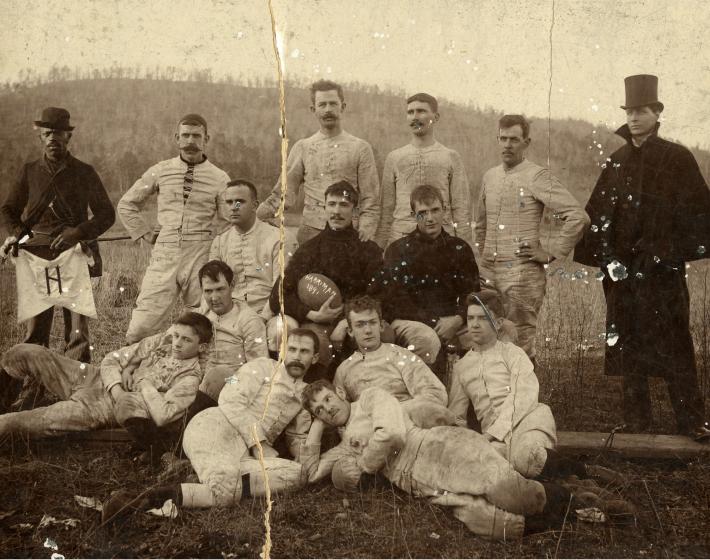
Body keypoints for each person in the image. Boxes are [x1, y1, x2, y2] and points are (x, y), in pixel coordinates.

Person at [575, 74, 710, 441]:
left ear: (657, 113)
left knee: (676, 343)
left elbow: (700, 214)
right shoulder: (616, 162)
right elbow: (597, 217)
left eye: (642, 110)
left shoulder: (677, 159)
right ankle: (637, 422)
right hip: (623, 274)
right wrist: (608, 260)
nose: (634, 118)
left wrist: (667, 254)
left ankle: (692, 420)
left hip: (662, 272)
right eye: (630, 111)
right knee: (629, 345)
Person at [299, 382, 577, 540]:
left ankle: (576, 496)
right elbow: (310, 473)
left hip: (439, 450)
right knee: (490, 524)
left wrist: (364, 465)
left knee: (513, 495)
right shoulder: (343, 446)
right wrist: (317, 427)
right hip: (421, 486)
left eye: (327, 399)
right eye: (319, 409)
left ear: (339, 392)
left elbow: (392, 433)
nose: (327, 408)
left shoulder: (371, 398)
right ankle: (569, 508)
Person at [101, 329, 320, 521]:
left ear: (315, 357)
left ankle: (208, 478)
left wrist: (316, 430)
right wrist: (258, 442)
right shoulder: (262, 367)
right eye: (292, 350)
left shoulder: (305, 394)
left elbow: (297, 438)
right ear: (283, 351)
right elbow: (230, 399)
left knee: (297, 474)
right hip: (215, 427)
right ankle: (139, 500)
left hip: (242, 455)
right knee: (223, 492)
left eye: (304, 352)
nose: (297, 357)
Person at [0, 106, 115, 364]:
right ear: (40, 137)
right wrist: (20, 237)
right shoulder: (29, 171)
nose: (53, 138)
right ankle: (33, 384)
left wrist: (78, 233)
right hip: (36, 258)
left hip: (75, 256)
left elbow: (107, 214)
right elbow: (8, 210)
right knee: (36, 331)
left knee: (77, 334)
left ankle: (77, 385)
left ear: (68, 137)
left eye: (59, 133)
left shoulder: (85, 172)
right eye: (48, 133)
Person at [475, 114, 589, 362]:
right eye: (503, 139)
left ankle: (525, 400)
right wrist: (482, 261)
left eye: (514, 139)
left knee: (519, 346)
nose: (507, 145)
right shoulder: (489, 176)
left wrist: (551, 252)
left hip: (522, 275)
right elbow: (480, 225)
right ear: (497, 140)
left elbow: (577, 216)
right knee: (486, 340)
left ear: (526, 142)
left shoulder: (537, 176)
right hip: (489, 273)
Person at [0, 312, 211, 444]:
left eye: (186, 340)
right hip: (96, 378)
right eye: (176, 336)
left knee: (22, 422)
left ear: (201, 347)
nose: (176, 343)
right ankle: (3, 400)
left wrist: (143, 385)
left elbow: (164, 415)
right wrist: (118, 384)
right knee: (23, 352)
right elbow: (112, 359)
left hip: (103, 408)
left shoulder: (190, 378)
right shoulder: (161, 343)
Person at [118, 113, 230, 344]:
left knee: (203, 320)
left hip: (201, 253)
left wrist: (218, 248)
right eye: (185, 135)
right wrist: (145, 233)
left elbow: (230, 219)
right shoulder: (160, 170)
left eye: (196, 136)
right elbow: (127, 203)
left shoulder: (220, 178)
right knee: (141, 325)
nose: (190, 141)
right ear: (176, 138)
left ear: (206, 139)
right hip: (165, 252)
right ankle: (127, 368)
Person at [270, 181, 383, 365]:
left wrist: (347, 320)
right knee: (317, 345)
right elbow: (278, 295)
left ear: (355, 211)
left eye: (344, 205)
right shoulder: (310, 248)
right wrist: (310, 314)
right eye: (331, 204)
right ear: (324, 208)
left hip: (356, 321)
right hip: (317, 323)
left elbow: (379, 294)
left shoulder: (369, 250)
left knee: (381, 336)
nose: (336, 211)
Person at [257, 80, 380, 244]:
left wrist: (365, 231)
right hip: (310, 234)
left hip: (349, 234)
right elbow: (283, 194)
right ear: (313, 110)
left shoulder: (360, 148)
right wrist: (257, 217)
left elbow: (370, 199)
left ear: (342, 107)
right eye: (322, 105)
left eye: (333, 104)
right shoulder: (303, 147)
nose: (328, 109)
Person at [375, 185, 479, 365]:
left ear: (444, 210)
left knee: (500, 330)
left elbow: (472, 292)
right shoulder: (397, 250)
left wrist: (458, 319)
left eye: (435, 210)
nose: (430, 218)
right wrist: (434, 322)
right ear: (413, 214)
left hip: (453, 322)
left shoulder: (459, 248)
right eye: (422, 212)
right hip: (412, 322)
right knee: (426, 339)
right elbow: (394, 300)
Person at [377, 93, 472, 248]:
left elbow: (461, 210)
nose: (415, 117)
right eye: (410, 112)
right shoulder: (394, 158)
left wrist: (466, 249)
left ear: (435, 117)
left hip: (441, 242)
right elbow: (386, 211)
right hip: (402, 241)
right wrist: (380, 248)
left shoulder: (450, 157)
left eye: (421, 111)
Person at [333, 295, 448, 417]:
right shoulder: (343, 371)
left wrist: (395, 414)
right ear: (350, 331)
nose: (368, 330)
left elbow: (435, 393)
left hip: (410, 423)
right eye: (360, 325)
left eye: (372, 323)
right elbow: (340, 414)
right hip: (370, 430)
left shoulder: (402, 356)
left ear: (381, 326)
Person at [209, 179, 297, 317]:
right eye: (229, 202)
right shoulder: (220, 241)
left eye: (240, 201)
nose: (234, 207)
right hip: (231, 313)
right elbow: (212, 285)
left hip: (270, 312)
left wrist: (263, 318)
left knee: (279, 332)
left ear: (254, 205)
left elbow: (281, 287)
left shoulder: (280, 238)